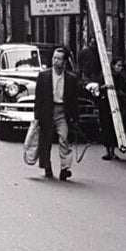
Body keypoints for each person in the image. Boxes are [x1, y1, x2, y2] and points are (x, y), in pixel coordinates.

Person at [33, 46, 82, 181]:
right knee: (46, 140)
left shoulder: (71, 79)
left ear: (65, 63)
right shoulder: (44, 76)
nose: (55, 61)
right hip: (47, 111)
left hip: (62, 111)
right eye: (54, 58)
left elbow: (73, 100)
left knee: (64, 138)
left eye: (59, 59)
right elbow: (38, 98)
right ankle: (47, 166)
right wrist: (36, 117)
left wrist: (75, 119)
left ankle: (64, 169)